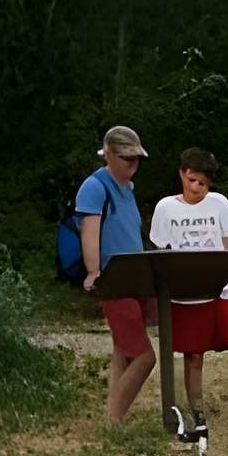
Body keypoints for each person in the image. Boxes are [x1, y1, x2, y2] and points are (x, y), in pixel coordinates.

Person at [151, 147, 228, 437]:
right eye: (191, 180)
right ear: (182, 174)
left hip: (221, 288)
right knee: (194, 356)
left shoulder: (219, 204)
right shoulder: (165, 208)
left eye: (202, 183)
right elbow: (159, 253)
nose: (195, 188)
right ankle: (198, 415)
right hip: (185, 291)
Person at [74, 125, 156, 426]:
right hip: (114, 280)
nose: (132, 165)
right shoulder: (95, 186)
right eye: (126, 158)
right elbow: (90, 232)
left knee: (123, 349)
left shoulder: (128, 189)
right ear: (108, 154)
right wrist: (94, 272)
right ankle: (113, 419)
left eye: (137, 159)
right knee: (145, 356)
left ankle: (114, 419)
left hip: (136, 278)